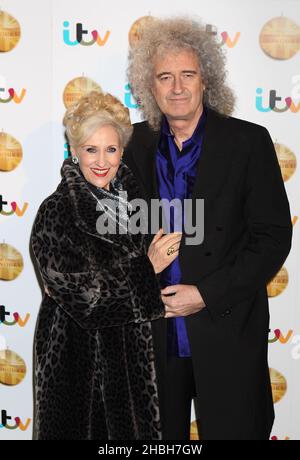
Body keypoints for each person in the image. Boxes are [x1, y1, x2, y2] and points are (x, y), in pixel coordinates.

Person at [124, 17, 293, 440]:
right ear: (151, 85)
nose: (177, 87)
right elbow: (106, 228)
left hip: (228, 331)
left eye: (188, 75)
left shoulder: (248, 142)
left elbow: (273, 237)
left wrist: (205, 294)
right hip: (152, 339)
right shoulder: (129, 144)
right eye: (165, 77)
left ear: (206, 81)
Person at [30, 90, 181, 440]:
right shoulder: (57, 211)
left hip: (133, 368)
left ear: (122, 151)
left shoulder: (138, 205)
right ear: (74, 151)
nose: (101, 161)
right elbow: (86, 300)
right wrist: (147, 270)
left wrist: (161, 299)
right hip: (76, 368)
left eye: (110, 149)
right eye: (91, 149)